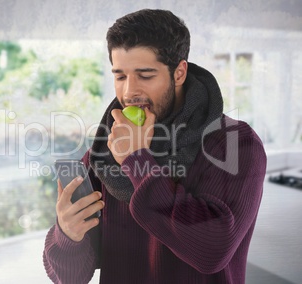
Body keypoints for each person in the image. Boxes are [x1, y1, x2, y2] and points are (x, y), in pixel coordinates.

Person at [43, 9, 266, 284]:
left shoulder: (236, 143)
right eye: (120, 76)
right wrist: (67, 235)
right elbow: (68, 277)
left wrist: (137, 160)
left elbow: (212, 252)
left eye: (145, 75)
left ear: (179, 72)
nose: (129, 93)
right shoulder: (104, 152)